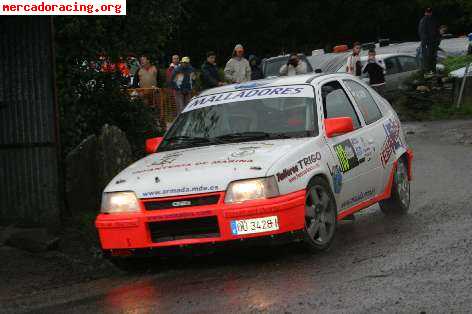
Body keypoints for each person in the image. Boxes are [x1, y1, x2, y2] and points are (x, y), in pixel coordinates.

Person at [418, 7, 440, 74]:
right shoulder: (423, 20)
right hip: (427, 44)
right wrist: (427, 42)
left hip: (433, 43)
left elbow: (436, 31)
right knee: (428, 58)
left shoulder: (433, 20)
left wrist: (437, 40)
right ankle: (428, 72)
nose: (429, 13)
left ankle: (433, 71)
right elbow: (422, 33)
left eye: (430, 12)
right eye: (428, 12)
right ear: (425, 13)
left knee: (433, 58)